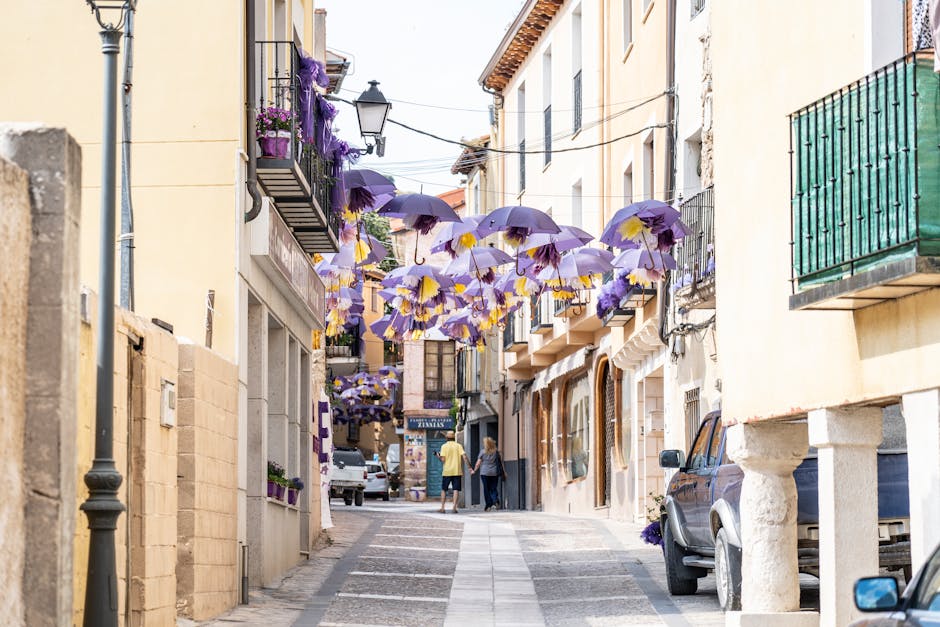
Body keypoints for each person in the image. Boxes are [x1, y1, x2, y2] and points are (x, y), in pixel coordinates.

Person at [434, 430, 473, 514]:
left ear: (447, 438)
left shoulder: (444, 446)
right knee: (456, 489)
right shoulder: (458, 446)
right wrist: (469, 467)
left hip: (447, 471)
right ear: (453, 438)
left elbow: (443, 460)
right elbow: (465, 457)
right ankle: (454, 508)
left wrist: (438, 456)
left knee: (444, 489)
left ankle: (442, 508)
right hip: (457, 471)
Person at [472, 437, 507, 511]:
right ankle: (496, 500)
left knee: (486, 489)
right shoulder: (496, 452)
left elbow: (478, 463)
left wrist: (474, 470)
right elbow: (501, 463)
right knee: (493, 488)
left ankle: (488, 505)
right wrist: (504, 472)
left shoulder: (482, 452)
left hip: (484, 473)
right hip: (494, 473)